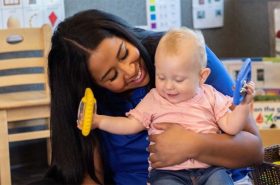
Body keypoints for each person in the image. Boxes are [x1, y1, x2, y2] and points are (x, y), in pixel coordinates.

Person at [38, 9, 263, 185]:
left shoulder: (182, 56)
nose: (130, 71)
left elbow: (254, 150)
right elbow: (89, 175)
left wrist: (194, 144)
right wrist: (97, 120)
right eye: (112, 75)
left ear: (124, 34)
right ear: (93, 87)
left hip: (216, 173)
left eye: (124, 53)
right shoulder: (99, 105)